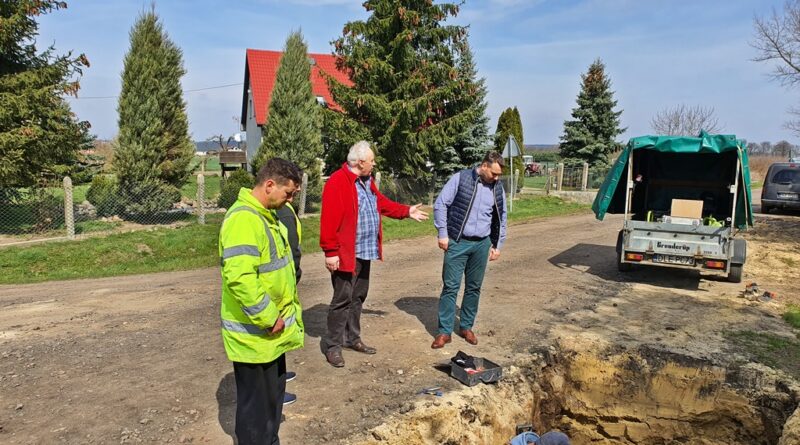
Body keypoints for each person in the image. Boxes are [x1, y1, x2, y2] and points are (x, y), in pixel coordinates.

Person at [319, 140, 428, 367]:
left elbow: (382, 204)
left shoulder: (366, 181)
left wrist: (406, 211)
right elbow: (329, 219)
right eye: (371, 160)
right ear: (360, 162)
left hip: (364, 251)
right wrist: (330, 251)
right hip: (346, 253)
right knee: (342, 299)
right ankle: (333, 346)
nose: (374, 163)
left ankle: (352, 338)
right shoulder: (338, 182)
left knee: (358, 297)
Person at [218, 158, 304, 445]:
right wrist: (268, 317)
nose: (290, 199)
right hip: (256, 334)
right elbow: (241, 278)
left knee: (270, 407)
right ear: (269, 185)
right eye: (288, 193)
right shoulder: (245, 219)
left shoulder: (266, 215)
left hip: (269, 337)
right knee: (256, 415)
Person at [431, 151, 508, 349]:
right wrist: (442, 233)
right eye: (494, 173)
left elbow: (502, 217)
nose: (497, 178)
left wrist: (497, 245)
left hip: (482, 244)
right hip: (458, 242)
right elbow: (441, 204)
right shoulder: (461, 178)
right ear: (484, 166)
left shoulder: (497, 188)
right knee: (450, 288)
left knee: (474, 288)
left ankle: (466, 326)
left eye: (499, 175)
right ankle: (444, 331)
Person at [276, 200, 302, 406]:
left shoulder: (283, 209)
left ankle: (279, 377)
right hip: (281, 282)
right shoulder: (283, 212)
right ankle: (275, 390)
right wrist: (295, 273)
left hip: (280, 280)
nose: (297, 191)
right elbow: (292, 248)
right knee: (275, 337)